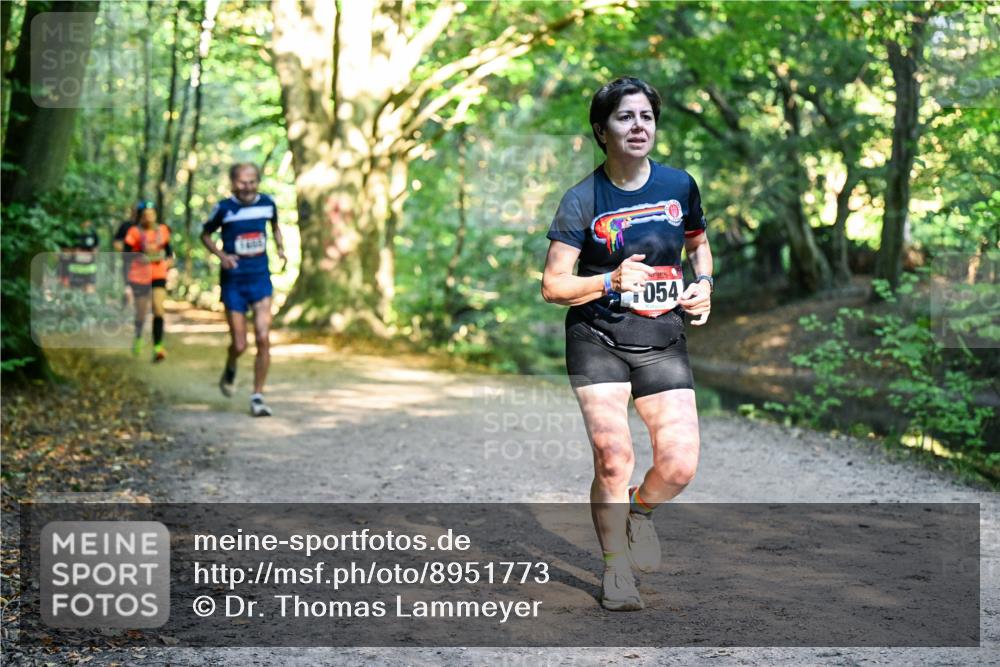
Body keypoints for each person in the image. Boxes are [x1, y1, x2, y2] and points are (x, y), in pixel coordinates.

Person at [541, 77, 714, 611]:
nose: (638, 126)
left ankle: (640, 511)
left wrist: (704, 285)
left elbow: (698, 246)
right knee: (614, 457)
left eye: (646, 117)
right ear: (602, 129)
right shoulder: (581, 199)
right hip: (597, 336)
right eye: (625, 117)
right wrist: (609, 282)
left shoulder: (680, 185)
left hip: (662, 337)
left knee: (680, 464)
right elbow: (552, 286)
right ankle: (616, 570)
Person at [200, 163, 285, 417]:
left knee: (262, 336)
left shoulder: (268, 204)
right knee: (239, 344)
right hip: (234, 281)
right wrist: (222, 255)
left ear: (258, 182)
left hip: (260, 278)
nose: (247, 187)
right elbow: (204, 235)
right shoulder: (224, 209)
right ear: (233, 183)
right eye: (242, 182)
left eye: (252, 181)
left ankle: (257, 396)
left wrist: (281, 249)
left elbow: (275, 226)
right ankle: (231, 363)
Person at [123, 201, 173, 362]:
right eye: (146, 215)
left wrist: (168, 263)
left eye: (152, 214)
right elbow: (126, 256)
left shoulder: (163, 231)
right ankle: (138, 337)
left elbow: (170, 252)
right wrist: (126, 284)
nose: (149, 218)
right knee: (141, 312)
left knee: (158, 309)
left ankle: (158, 347)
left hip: (158, 274)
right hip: (139, 276)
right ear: (141, 217)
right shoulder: (134, 232)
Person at [113, 203, 140, 306]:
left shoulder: (146, 227)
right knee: (128, 286)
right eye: (134, 211)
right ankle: (126, 307)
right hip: (128, 261)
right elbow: (116, 242)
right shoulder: (125, 226)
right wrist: (127, 251)